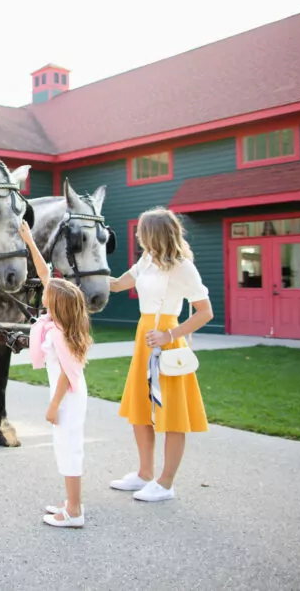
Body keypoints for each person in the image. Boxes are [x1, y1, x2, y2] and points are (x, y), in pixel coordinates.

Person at [107, 207, 214, 502]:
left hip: (166, 340)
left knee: (172, 415)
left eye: (141, 231)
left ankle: (166, 483)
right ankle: (144, 474)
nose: (138, 235)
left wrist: (169, 335)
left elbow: (205, 312)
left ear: (153, 233)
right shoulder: (145, 261)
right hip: (144, 337)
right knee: (140, 411)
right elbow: (116, 285)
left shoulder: (182, 267)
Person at [20, 220, 91, 529]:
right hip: (68, 396)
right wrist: (29, 241)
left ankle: (74, 511)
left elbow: (65, 375)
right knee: (65, 448)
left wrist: (52, 406)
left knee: (68, 450)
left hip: (67, 397)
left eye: (48, 295)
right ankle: (71, 501)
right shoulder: (61, 323)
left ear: (57, 305)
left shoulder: (60, 335)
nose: (43, 294)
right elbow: (45, 273)